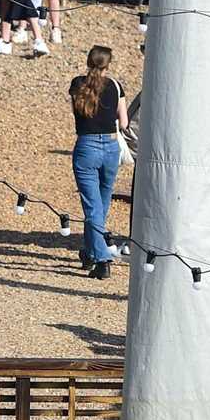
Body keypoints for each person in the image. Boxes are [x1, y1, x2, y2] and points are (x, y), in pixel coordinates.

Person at [70, 43, 128, 281]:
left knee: (92, 206)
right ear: (108, 64)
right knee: (101, 205)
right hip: (111, 147)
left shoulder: (77, 84)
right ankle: (91, 251)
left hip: (87, 146)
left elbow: (78, 110)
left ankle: (102, 258)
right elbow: (123, 123)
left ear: (88, 61)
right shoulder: (115, 86)